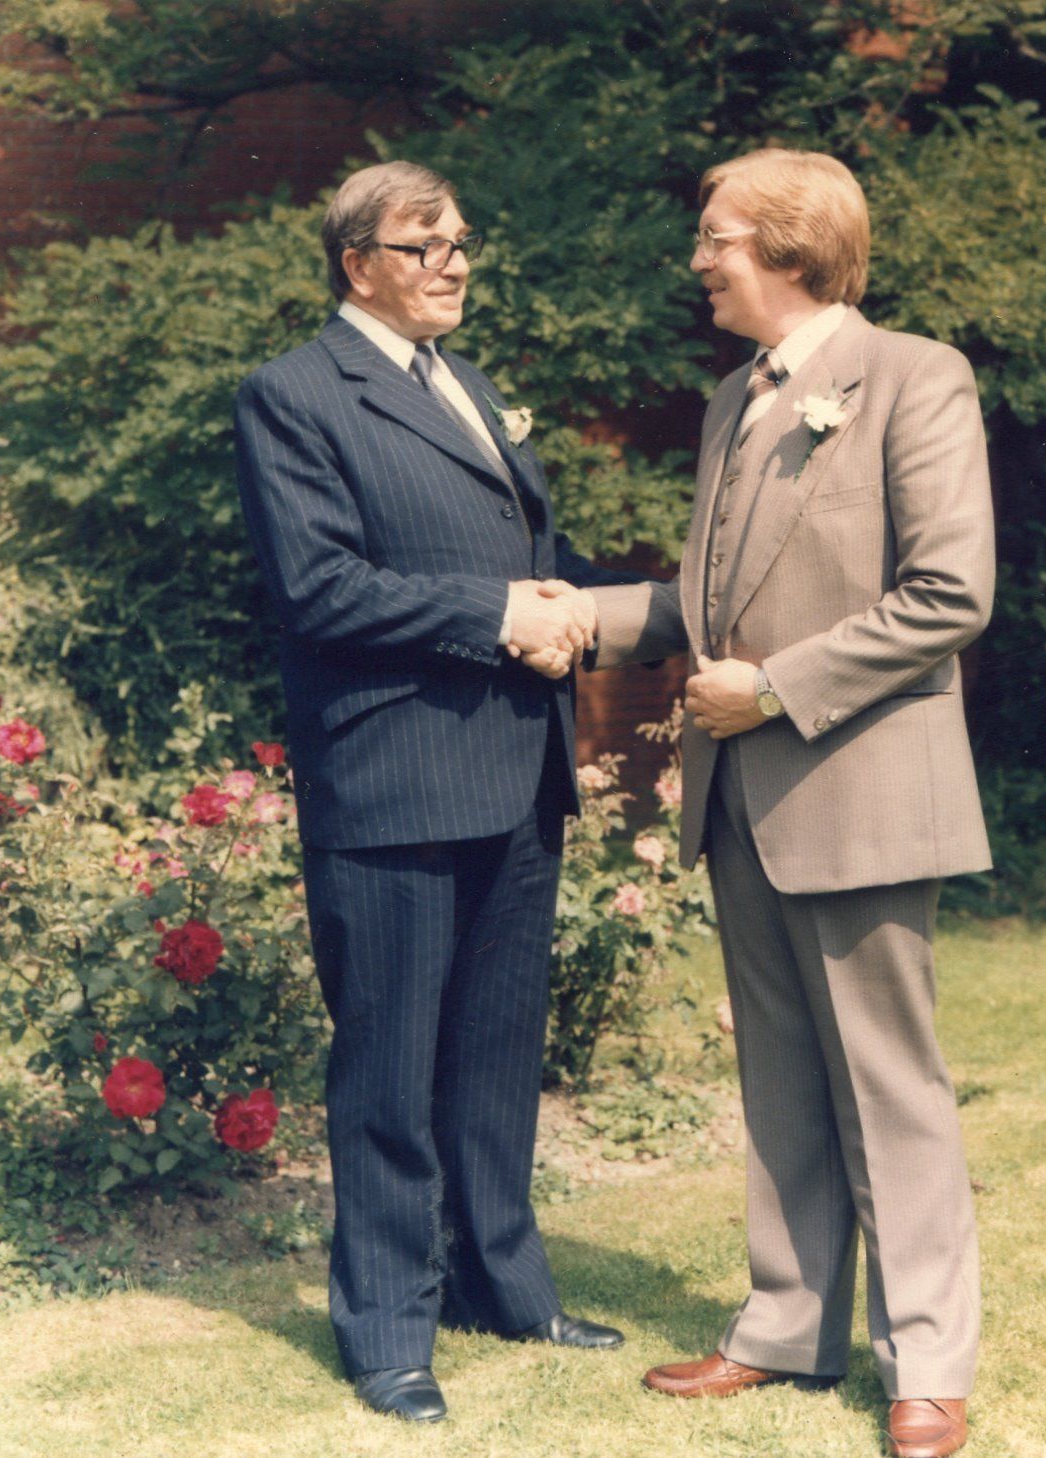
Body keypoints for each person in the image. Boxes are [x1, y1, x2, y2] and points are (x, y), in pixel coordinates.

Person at [583, 149, 994, 1458]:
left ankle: (925, 1359)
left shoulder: (914, 377)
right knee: (780, 1082)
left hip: (859, 784)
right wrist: (564, 616)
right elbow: (708, 605)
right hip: (740, 801)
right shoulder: (728, 403)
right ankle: (786, 1323)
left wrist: (776, 690)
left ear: (790, 248)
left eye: (715, 237)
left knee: (890, 1084)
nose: (697, 259)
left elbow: (946, 596)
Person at [233, 160, 633, 1425]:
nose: (454, 264)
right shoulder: (295, 395)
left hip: (514, 771)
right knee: (392, 1071)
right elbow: (319, 588)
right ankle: (389, 1331)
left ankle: (500, 1287)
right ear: (358, 263)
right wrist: (499, 612)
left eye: (463, 241)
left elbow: (514, 558)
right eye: (425, 245)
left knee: (497, 1061)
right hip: (394, 777)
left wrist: (579, 602)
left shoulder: (470, 386)